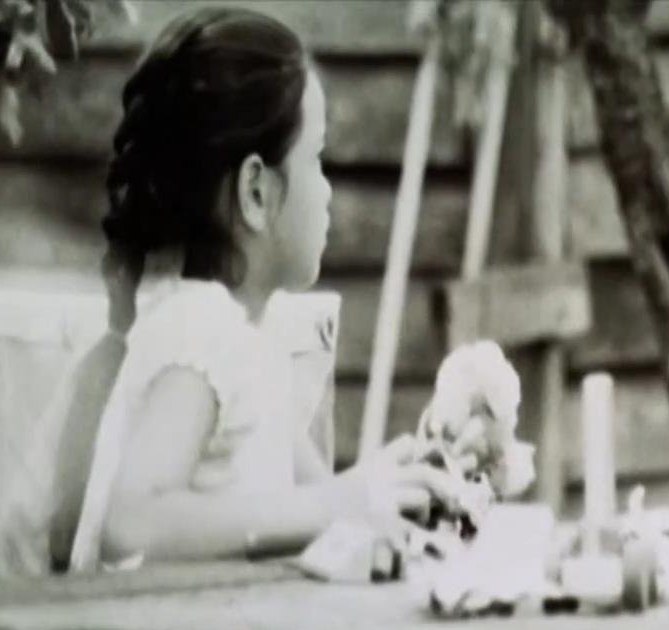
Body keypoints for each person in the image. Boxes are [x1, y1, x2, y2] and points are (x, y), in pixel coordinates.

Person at [57, 6, 471, 570]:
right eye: (316, 159)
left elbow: (319, 502)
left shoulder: (253, 340)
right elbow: (131, 524)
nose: (328, 191)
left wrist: (407, 480)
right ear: (256, 191)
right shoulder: (200, 328)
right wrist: (337, 503)